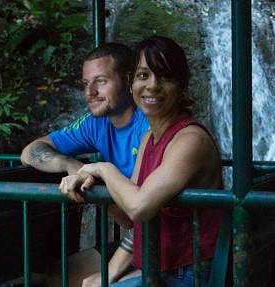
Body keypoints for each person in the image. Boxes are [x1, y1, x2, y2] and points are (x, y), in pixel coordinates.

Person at [59, 35, 224, 287]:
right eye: (143, 75)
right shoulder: (149, 137)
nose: (153, 85)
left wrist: (104, 168)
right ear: (131, 83)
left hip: (189, 272)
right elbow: (133, 217)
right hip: (158, 266)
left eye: (165, 76)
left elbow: (139, 207)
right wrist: (108, 275)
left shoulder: (191, 140)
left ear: (181, 85)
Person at [20, 42, 149, 286]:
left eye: (101, 81)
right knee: (61, 274)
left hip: (169, 243)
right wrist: (70, 165)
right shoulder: (96, 123)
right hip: (139, 238)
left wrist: (108, 274)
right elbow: (30, 152)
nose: (90, 92)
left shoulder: (148, 122)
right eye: (85, 83)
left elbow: (148, 215)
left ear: (128, 79)